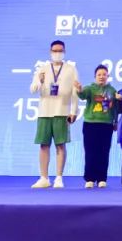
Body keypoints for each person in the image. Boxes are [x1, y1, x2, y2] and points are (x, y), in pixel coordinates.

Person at [30, 40, 79, 189]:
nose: (57, 53)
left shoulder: (71, 69)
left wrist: (74, 111)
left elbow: (75, 91)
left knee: (60, 145)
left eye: (60, 50)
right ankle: (44, 178)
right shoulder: (42, 69)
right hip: (44, 112)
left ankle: (58, 178)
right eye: (55, 51)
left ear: (64, 52)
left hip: (62, 112)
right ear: (50, 52)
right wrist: (40, 81)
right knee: (43, 145)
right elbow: (33, 89)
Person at [76, 64, 118, 189]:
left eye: (104, 74)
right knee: (90, 152)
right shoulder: (90, 88)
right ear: (95, 76)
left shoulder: (112, 90)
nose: (101, 77)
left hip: (106, 125)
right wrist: (79, 90)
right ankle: (89, 178)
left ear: (108, 76)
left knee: (104, 152)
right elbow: (82, 95)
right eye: (99, 75)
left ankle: (101, 178)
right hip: (90, 124)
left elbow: (115, 108)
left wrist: (115, 122)